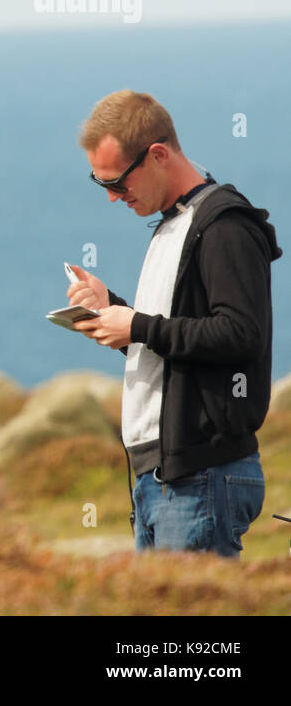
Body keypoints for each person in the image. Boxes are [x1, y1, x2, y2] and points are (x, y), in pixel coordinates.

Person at [66, 90, 279, 557]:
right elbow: (180, 341)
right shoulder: (171, 225)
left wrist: (138, 326)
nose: (111, 197)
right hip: (163, 479)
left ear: (158, 155)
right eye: (99, 183)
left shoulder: (223, 226)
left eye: (118, 183)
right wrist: (113, 313)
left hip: (200, 475)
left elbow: (242, 335)